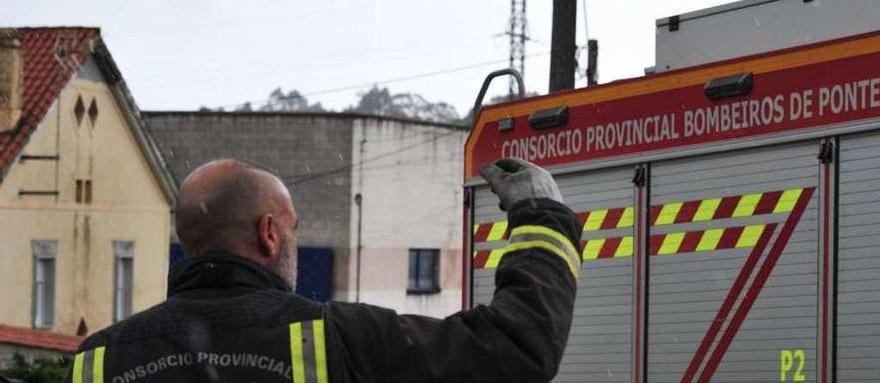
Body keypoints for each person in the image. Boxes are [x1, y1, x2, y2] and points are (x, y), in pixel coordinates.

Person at [65, 157, 582, 383]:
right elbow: (516, 350)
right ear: (270, 233)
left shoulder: (98, 361)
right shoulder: (342, 340)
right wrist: (543, 219)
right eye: (293, 229)